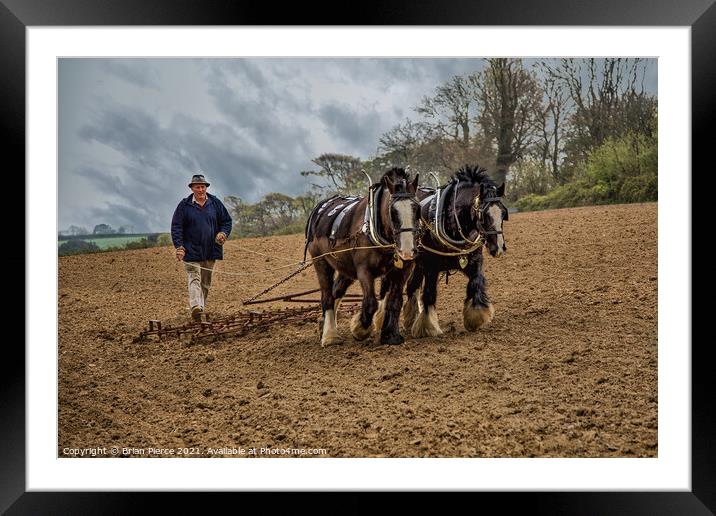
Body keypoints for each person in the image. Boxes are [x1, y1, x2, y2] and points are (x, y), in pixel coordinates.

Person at [171, 173, 232, 321]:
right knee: (194, 277)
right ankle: (195, 306)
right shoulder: (184, 205)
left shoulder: (215, 203)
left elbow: (226, 221)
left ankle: (200, 310)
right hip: (190, 250)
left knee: (205, 282)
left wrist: (223, 233)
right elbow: (176, 227)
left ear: (206, 188)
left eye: (203, 186)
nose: (201, 189)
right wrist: (179, 246)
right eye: (197, 187)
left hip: (211, 250)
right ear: (192, 188)